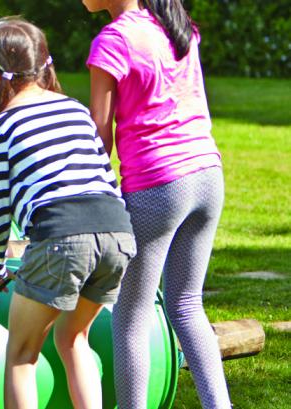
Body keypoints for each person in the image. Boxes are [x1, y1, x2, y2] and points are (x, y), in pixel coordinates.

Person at [0, 17, 137, 409]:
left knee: (21, 356)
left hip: (62, 238)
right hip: (117, 232)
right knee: (73, 338)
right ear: (43, 64)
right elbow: (105, 177)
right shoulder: (75, 110)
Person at [83, 1, 230, 407]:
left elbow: (100, 133)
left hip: (158, 188)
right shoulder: (178, 27)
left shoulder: (112, 41)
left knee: (131, 317)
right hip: (207, 176)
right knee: (186, 305)